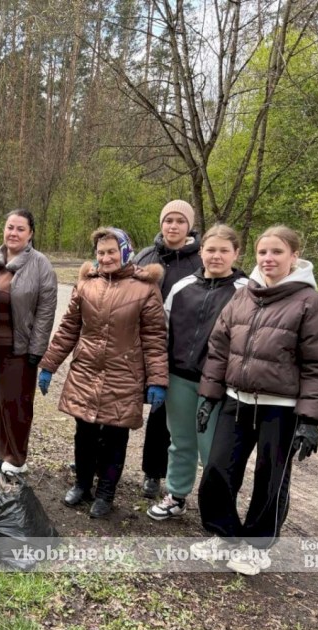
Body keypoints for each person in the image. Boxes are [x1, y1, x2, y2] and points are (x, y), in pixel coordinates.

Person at [192, 225, 318, 575]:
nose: (269, 259)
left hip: (281, 408)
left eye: (277, 252)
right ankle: (223, 534)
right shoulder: (243, 296)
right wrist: (209, 397)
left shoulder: (312, 303)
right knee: (217, 469)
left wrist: (311, 420)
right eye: (263, 252)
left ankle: (257, 546)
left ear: (294, 256)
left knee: (271, 477)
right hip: (236, 400)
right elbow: (219, 349)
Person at [38, 227, 168, 518]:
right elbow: (69, 328)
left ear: (124, 251)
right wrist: (49, 364)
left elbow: (155, 338)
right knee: (83, 432)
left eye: (111, 251)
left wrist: (158, 379)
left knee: (114, 436)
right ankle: (82, 484)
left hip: (124, 375)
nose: (106, 257)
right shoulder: (86, 284)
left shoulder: (145, 288)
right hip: (86, 371)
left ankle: (106, 493)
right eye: (101, 253)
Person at [147, 225, 248, 521]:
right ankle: (176, 495)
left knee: (213, 450)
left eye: (223, 251)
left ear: (236, 254)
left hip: (218, 384)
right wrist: (159, 375)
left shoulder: (245, 291)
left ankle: (215, 505)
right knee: (180, 441)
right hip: (179, 378)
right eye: (211, 250)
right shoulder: (181, 288)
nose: (216, 256)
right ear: (201, 251)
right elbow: (162, 333)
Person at [0, 209, 58, 474]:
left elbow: (46, 310)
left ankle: (15, 457)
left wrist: (37, 349)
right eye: (10, 227)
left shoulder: (40, 264)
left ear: (31, 233)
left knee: (16, 405)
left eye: (20, 229)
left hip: (18, 349)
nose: (13, 233)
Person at [134, 199, 202, 498]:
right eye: (168, 220)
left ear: (189, 226)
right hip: (139, 345)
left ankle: (153, 472)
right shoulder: (146, 256)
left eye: (179, 221)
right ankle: (98, 463)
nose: (173, 226)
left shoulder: (200, 260)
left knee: (162, 416)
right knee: (119, 404)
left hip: (176, 349)